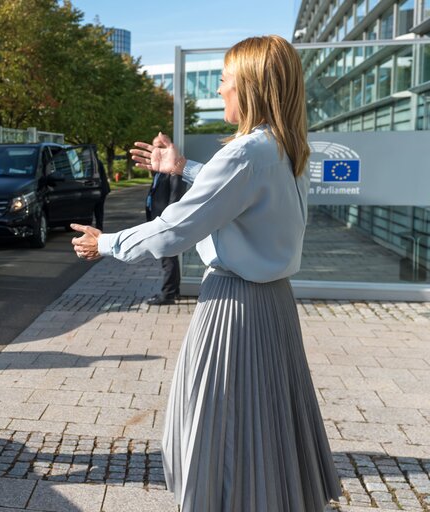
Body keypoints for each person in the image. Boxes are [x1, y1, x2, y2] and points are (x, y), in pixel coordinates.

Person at [71, 35, 340, 511]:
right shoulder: (287, 149)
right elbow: (238, 193)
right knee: (268, 425)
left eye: (224, 80)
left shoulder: (246, 153)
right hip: (274, 305)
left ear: (251, 87)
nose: (218, 91)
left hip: (233, 312)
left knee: (218, 430)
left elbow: (174, 229)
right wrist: (182, 167)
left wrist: (106, 242)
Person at [144, 170, 187, 305]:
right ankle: (174, 290)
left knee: (168, 257)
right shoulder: (160, 172)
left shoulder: (173, 171)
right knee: (168, 257)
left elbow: (175, 198)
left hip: (165, 223)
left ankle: (168, 294)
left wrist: (168, 222)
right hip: (158, 221)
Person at [93, 158, 111, 231]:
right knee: (99, 211)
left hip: (99, 190)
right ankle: (99, 228)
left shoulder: (94, 163)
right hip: (101, 189)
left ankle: (99, 229)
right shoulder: (97, 161)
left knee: (98, 211)